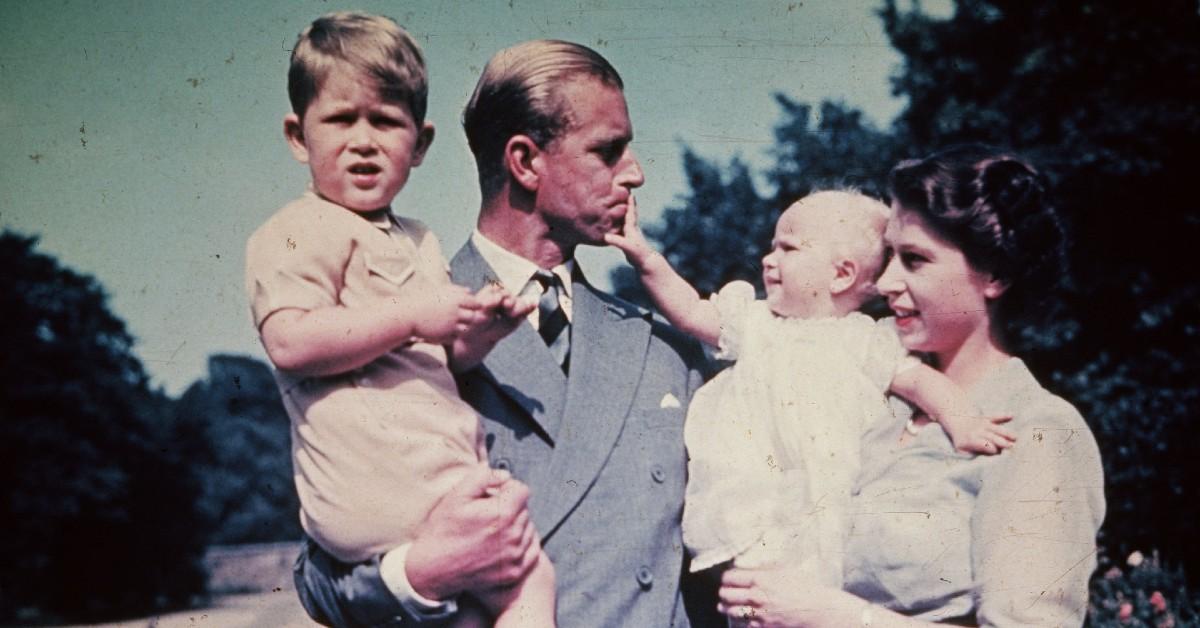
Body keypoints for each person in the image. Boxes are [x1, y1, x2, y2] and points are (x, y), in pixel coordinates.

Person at [293, 39, 716, 627]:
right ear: (524, 161)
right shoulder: (393, 328)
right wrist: (422, 574)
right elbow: (319, 579)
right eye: (608, 150)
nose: (635, 174)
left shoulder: (665, 351)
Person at [245, 13, 555, 627]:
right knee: (524, 574)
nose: (363, 140)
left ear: (419, 145)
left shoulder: (417, 239)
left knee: (495, 599)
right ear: (298, 137)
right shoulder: (293, 231)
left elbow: (441, 357)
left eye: (386, 122)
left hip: (430, 476)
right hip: (379, 485)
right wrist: (415, 311)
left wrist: (480, 332)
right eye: (340, 120)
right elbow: (289, 341)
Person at [715, 146, 1106, 627]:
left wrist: (830, 614)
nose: (885, 282)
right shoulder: (868, 399)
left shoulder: (1038, 430)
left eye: (915, 260)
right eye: (889, 257)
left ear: (995, 275)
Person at [607, 190, 1015, 587]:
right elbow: (693, 311)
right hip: (754, 498)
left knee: (817, 584)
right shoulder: (757, 324)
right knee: (752, 593)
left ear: (841, 274)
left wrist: (963, 420)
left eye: (788, 248)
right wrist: (646, 259)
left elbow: (921, 382)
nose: (768, 260)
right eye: (772, 247)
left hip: (829, 498)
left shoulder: (866, 340)